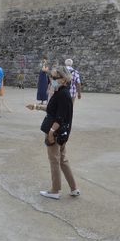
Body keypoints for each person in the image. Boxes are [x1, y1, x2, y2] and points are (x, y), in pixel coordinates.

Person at [26, 65, 79, 200]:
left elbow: (59, 117)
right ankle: (74, 188)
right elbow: (52, 109)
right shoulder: (61, 92)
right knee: (62, 159)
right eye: (51, 77)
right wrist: (36, 106)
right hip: (61, 133)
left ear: (63, 79)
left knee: (54, 160)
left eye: (54, 77)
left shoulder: (62, 94)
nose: (51, 79)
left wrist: (51, 132)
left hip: (56, 132)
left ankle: (55, 190)